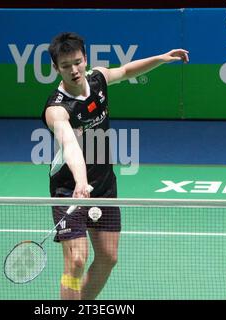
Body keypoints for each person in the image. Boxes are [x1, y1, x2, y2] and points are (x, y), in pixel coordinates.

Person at [41, 32, 188, 300]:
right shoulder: (57, 109)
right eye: (65, 66)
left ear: (85, 59)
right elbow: (70, 146)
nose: (74, 70)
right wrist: (81, 181)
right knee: (76, 261)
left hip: (104, 185)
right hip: (70, 189)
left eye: (77, 62)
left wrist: (161, 58)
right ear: (55, 68)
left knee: (108, 257)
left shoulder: (97, 79)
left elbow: (125, 70)